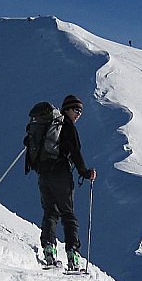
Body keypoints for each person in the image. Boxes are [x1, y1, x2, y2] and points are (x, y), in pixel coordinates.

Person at [38, 94, 97, 270]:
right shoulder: (67, 127)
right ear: (67, 109)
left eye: (80, 111)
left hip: (44, 174)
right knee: (68, 214)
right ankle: (73, 255)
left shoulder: (49, 125)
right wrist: (85, 172)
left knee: (50, 212)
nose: (78, 114)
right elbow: (76, 152)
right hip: (61, 175)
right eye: (76, 109)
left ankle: (49, 249)